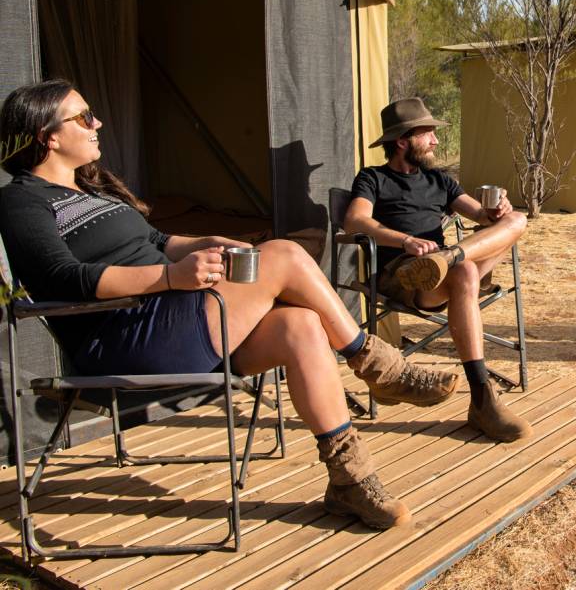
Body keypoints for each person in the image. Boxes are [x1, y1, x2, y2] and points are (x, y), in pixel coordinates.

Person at [0, 80, 463, 530]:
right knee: (284, 255)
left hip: (175, 318)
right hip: (124, 339)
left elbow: (159, 242)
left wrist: (210, 242)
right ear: (48, 136)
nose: (97, 123)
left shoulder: (91, 191)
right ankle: (378, 366)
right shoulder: (21, 201)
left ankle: (350, 480)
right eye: (84, 117)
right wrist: (170, 277)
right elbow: (64, 278)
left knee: (300, 325)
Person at [342, 97, 532, 442]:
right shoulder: (373, 178)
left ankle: (450, 258)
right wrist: (405, 241)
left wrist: (497, 211)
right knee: (466, 272)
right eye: (427, 133)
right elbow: (355, 220)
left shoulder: (439, 180)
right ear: (403, 141)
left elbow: (481, 216)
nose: (436, 140)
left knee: (516, 220)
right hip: (404, 273)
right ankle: (482, 399)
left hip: (447, 265)